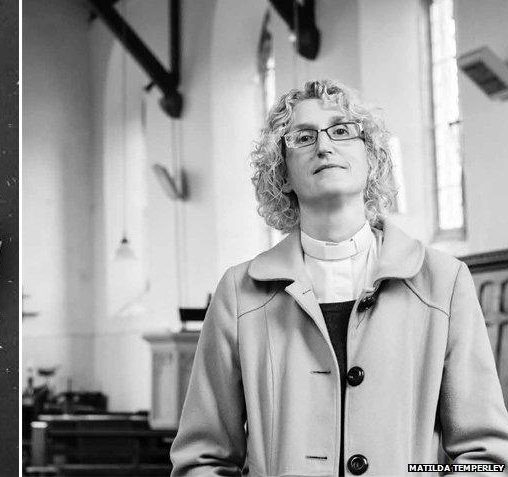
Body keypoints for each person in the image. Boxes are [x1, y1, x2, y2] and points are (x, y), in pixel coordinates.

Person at [170, 80, 508, 476]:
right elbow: (203, 458)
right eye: (303, 136)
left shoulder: (444, 283)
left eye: (342, 130)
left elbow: (484, 459)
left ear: (373, 158)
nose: (324, 146)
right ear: (282, 173)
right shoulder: (239, 294)